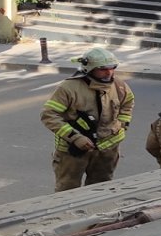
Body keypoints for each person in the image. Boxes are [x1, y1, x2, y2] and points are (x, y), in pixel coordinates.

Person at [41, 47, 135, 192]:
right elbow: (49, 115)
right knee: (68, 190)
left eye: (112, 68)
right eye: (103, 69)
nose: (109, 73)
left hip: (107, 150)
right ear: (89, 69)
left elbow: (128, 103)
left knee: (100, 189)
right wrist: (75, 137)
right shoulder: (69, 88)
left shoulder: (119, 85)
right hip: (73, 151)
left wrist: (122, 124)